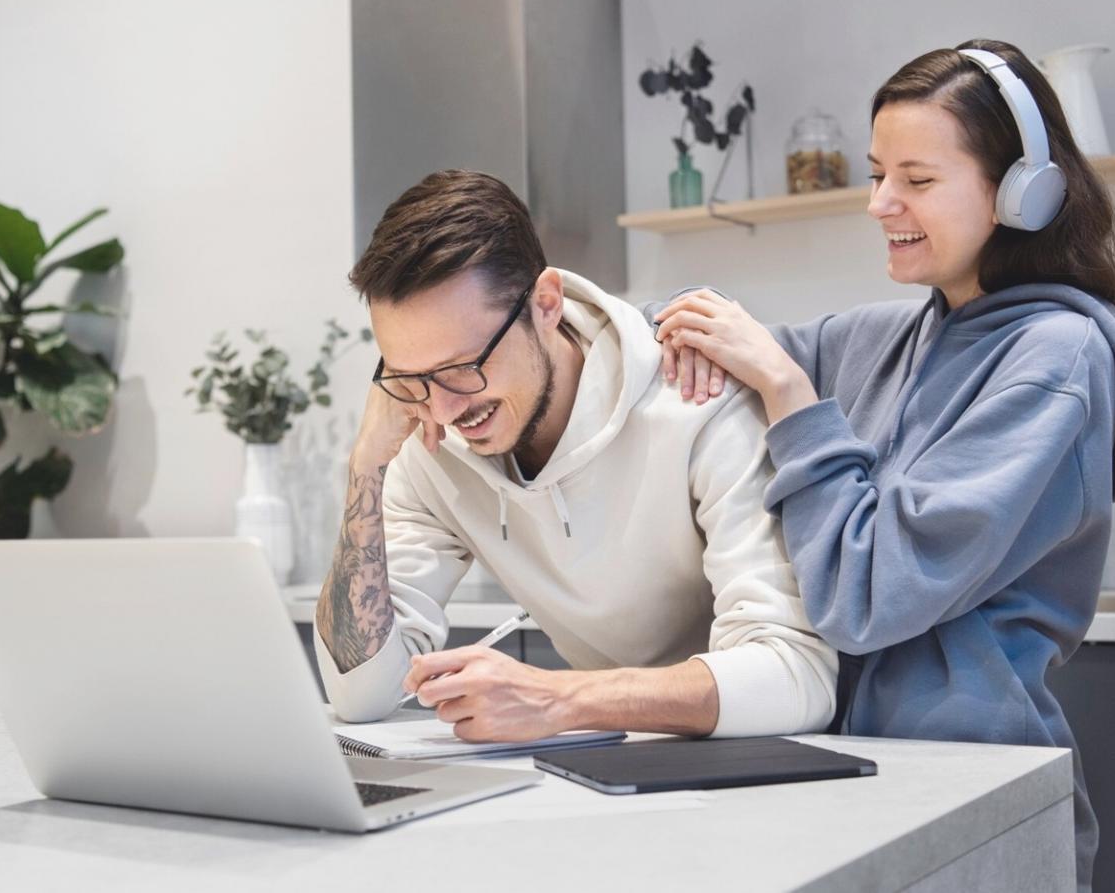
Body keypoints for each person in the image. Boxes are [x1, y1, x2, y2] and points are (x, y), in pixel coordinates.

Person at [649, 39, 1115, 890]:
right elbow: (695, 343)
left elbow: (865, 598)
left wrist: (787, 393)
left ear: (1021, 190)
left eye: (917, 179)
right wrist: (635, 323)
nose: (879, 203)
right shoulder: (887, 335)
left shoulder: (1054, 358)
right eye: (875, 174)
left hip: (975, 791)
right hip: (851, 777)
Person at [314, 169, 837, 743]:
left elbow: (797, 677)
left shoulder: (694, 397)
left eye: (463, 367)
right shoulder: (430, 443)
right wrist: (366, 467)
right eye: (410, 376)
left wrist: (557, 698)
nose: (442, 408)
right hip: (601, 759)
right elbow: (359, 695)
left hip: (752, 762)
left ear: (545, 303)